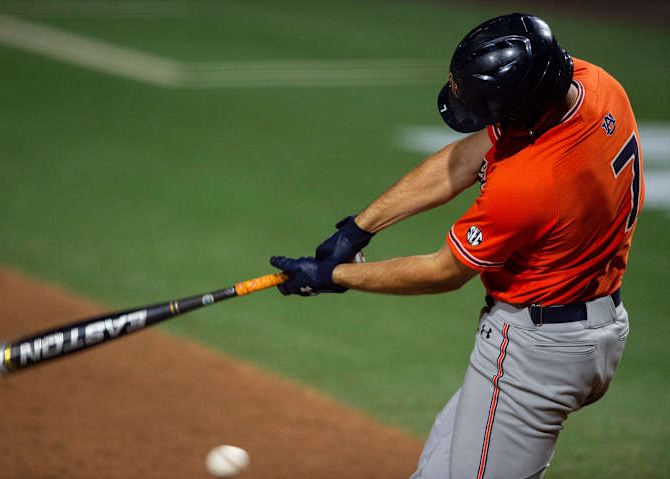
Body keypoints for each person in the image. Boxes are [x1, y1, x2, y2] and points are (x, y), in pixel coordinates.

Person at [270, 12, 644, 478]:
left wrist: (331, 275)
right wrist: (358, 229)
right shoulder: (594, 85)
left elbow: (443, 271)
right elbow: (471, 155)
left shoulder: (530, 183)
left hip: (536, 351)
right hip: (590, 325)